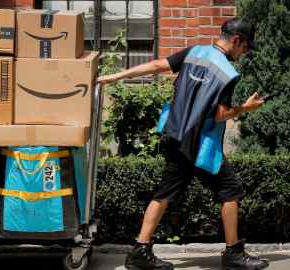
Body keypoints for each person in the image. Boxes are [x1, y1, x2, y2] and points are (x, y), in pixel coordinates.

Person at [97, 18, 269, 270]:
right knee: (230, 191)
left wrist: (117, 76)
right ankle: (233, 254)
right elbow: (220, 114)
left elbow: (157, 65)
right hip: (200, 145)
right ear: (236, 40)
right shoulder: (228, 73)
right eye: (244, 48)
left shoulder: (194, 52)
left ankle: (139, 251)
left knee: (165, 193)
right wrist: (246, 108)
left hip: (176, 134)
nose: (243, 53)